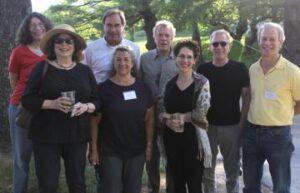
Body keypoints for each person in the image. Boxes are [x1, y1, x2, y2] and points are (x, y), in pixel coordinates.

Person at [21, 24, 98, 193]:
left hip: (76, 135)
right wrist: (52, 104)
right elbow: (27, 99)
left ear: (75, 45)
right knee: (48, 185)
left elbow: (97, 100)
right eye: (59, 41)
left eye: (68, 40)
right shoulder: (41, 68)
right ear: (52, 45)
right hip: (46, 135)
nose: (64, 44)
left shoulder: (84, 71)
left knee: (78, 184)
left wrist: (86, 106)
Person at [242, 22, 300, 193]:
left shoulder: (293, 72)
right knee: (251, 185)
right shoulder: (253, 69)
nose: (267, 43)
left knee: (281, 187)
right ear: (259, 41)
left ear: (281, 41)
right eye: (264, 38)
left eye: (272, 39)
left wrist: (283, 116)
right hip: (251, 134)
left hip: (279, 137)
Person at [88, 46, 155, 193]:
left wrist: (149, 146)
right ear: (113, 63)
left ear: (132, 64)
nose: (122, 63)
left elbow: (150, 118)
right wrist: (93, 148)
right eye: (118, 59)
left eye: (126, 59)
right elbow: (94, 121)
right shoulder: (103, 89)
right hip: (110, 149)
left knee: (133, 188)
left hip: (136, 149)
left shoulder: (143, 88)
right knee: (112, 188)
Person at [197, 29, 250, 193]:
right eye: (215, 44)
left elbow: (247, 97)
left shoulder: (240, 69)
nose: (219, 47)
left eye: (223, 43)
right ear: (210, 47)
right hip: (208, 128)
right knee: (207, 171)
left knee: (232, 171)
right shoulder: (202, 70)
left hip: (232, 127)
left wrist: (241, 123)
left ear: (229, 46)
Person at [158, 40, 211, 193]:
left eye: (189, 57)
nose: (185, 61)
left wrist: (178, 117)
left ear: (195, 60)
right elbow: (161, 108)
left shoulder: (202, 83)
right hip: (171, 140)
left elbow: (202, 112)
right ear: (175, 58)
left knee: (194, 183)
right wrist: (167, 121)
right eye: (181, 56)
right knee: (177, 183)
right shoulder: (169, 83)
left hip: (193, 141)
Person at [8, 12, 52, 193]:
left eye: (41, 24)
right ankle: (19, 189)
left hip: (46, 108)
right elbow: (14, 80)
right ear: (27, 29)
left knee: (44, 154)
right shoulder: (19, 51)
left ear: (46, 26)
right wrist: (26, 98)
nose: (37, 28)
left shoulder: (52, 50)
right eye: (33, 25)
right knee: (21, 156)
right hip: (22, 108)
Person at [140, 20, 178, 193]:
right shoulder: (144, 59)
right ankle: (153, 187)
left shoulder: (179, 59)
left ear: (172, 37)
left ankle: (172, 188)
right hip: (149, 115)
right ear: (154, 37)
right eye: (160, 35)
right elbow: (139, 85)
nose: (164, 38)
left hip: (171, 115)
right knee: (151, 155)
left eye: (167, 35)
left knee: (171, 155)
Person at [83, 8, 140, 84]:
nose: (113, 30)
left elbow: (136, 75)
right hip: (99, 94)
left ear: (123, 26)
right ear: (104, 26)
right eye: (109, 25)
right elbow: (85, 76)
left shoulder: (134, 49)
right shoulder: (91, 49)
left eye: (117, 25)